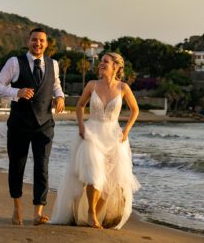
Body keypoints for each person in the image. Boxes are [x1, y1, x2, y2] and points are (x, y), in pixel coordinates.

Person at [50, 52, 140, 229]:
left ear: (116, 66)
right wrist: (81, 126)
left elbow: (135, 110)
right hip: (91, 133)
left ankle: (96, 214)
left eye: (105, 62)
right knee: (93, 175)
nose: (100, 64)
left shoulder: (123, 88)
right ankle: (90, 213)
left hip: (114, 136)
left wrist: (126, 131)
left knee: (111, 180)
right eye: (100, 62)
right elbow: (80, 105)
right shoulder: (92, 85)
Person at [0, 27, 65, 226]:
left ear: (47, 43)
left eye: (41, 40)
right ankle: (17, 207)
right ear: (28, 41)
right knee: (17, 166)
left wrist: (60, 96)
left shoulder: (54, 64)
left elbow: (56, 83)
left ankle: (38, 212)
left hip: (44, 124)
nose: (37, 43)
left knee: (42, 167)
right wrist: (17, 91)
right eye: (34, 40)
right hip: (19, 124)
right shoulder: (14, 62)